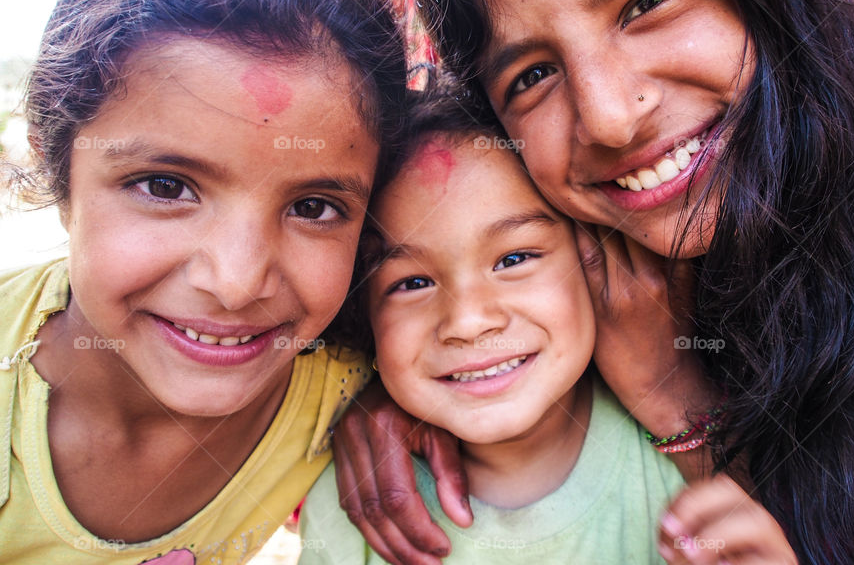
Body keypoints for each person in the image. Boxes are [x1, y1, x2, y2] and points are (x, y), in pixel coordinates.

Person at [331, 0, 854, 564]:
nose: (608, 117)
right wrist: (383, 390)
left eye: (648, 2)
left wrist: (675, 404)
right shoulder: (600, 281)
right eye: (532, 74)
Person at [0, 0, 405, 564]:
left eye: (314, 206)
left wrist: (401, 404)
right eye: (165, 188)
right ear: (58, 168)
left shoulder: (346, 389)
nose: (238, 281)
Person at [298, 87, 794, 563]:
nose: (468, 321)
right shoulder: (348, 515)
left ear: (598, 261)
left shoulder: (696, 482)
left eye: (514, 258)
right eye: (411, 283)